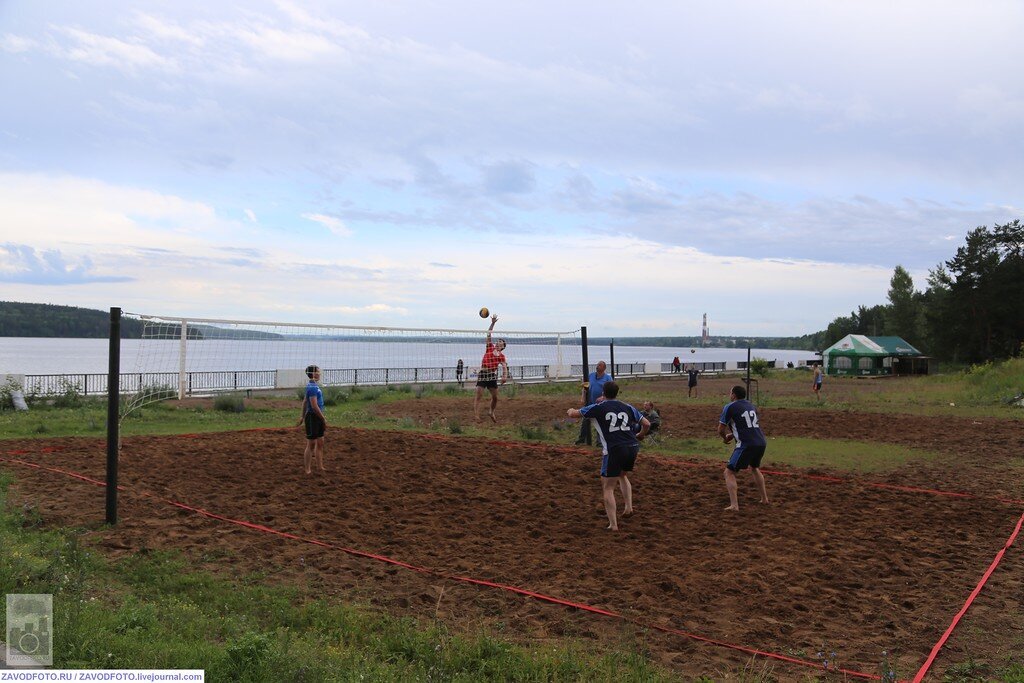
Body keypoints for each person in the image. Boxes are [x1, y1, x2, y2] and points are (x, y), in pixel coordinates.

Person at [567, 381, 650, 531]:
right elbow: (647, 424)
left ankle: (613, 525)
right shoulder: (627, 406)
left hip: (614, 449)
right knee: (622, 475)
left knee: (607, 487)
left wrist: (570, 410)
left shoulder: (598, 408)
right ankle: (629, 507)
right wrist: (640, 435)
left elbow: (574, 414)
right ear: (617, 393)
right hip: (632, 447)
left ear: (603, 393)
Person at [717, 384, 769, 511]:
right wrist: (732, 435)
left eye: (730, 393)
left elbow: (720, 429)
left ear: (733, 395)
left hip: (746, 444)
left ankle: (734, 505)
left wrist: (724, 438)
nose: (730, 395)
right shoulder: (751, 405)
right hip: (761, 441)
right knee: (755, 468)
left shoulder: (729, 407)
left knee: (729, 472)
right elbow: (747, 426)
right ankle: (764, 499)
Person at [474, 314, 509, 422]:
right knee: (479, 394)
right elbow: (488, 334)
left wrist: (504, 376)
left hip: (492, 376)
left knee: (495, 397)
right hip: (483, 373)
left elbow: (504, 367)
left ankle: (491, 412)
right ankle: (476, 416)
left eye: (501, 343)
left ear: (502, 347)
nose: (498, 343)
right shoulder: (490, 347)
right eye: (498, 341)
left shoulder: (502, 356)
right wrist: (493, 323)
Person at [296, 364, 327, 475]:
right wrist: (323, 419)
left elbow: (304, 401)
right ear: (313, 374)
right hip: (313, 417)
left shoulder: (314, 386)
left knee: (320, 442)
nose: (319, 374)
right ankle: (307, 469)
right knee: (311, 443)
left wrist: (301, 416)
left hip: (317, 416)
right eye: (318, 372)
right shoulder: (312, 387)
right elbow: (313, 406)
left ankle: (320, 467)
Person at [575, 360, 613, 445]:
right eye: (597, 365)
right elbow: (585, 387)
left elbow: (611, 391)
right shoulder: (591, 376)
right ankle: (582, 439)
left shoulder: (608, 378)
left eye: (599, 365)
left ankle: (599, 442)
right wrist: (583, 397)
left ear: (604, 368)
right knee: (585, 421)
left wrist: (603, 397)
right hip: (590, 403)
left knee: (600, 423)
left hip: (601, 405)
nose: (597, 366)